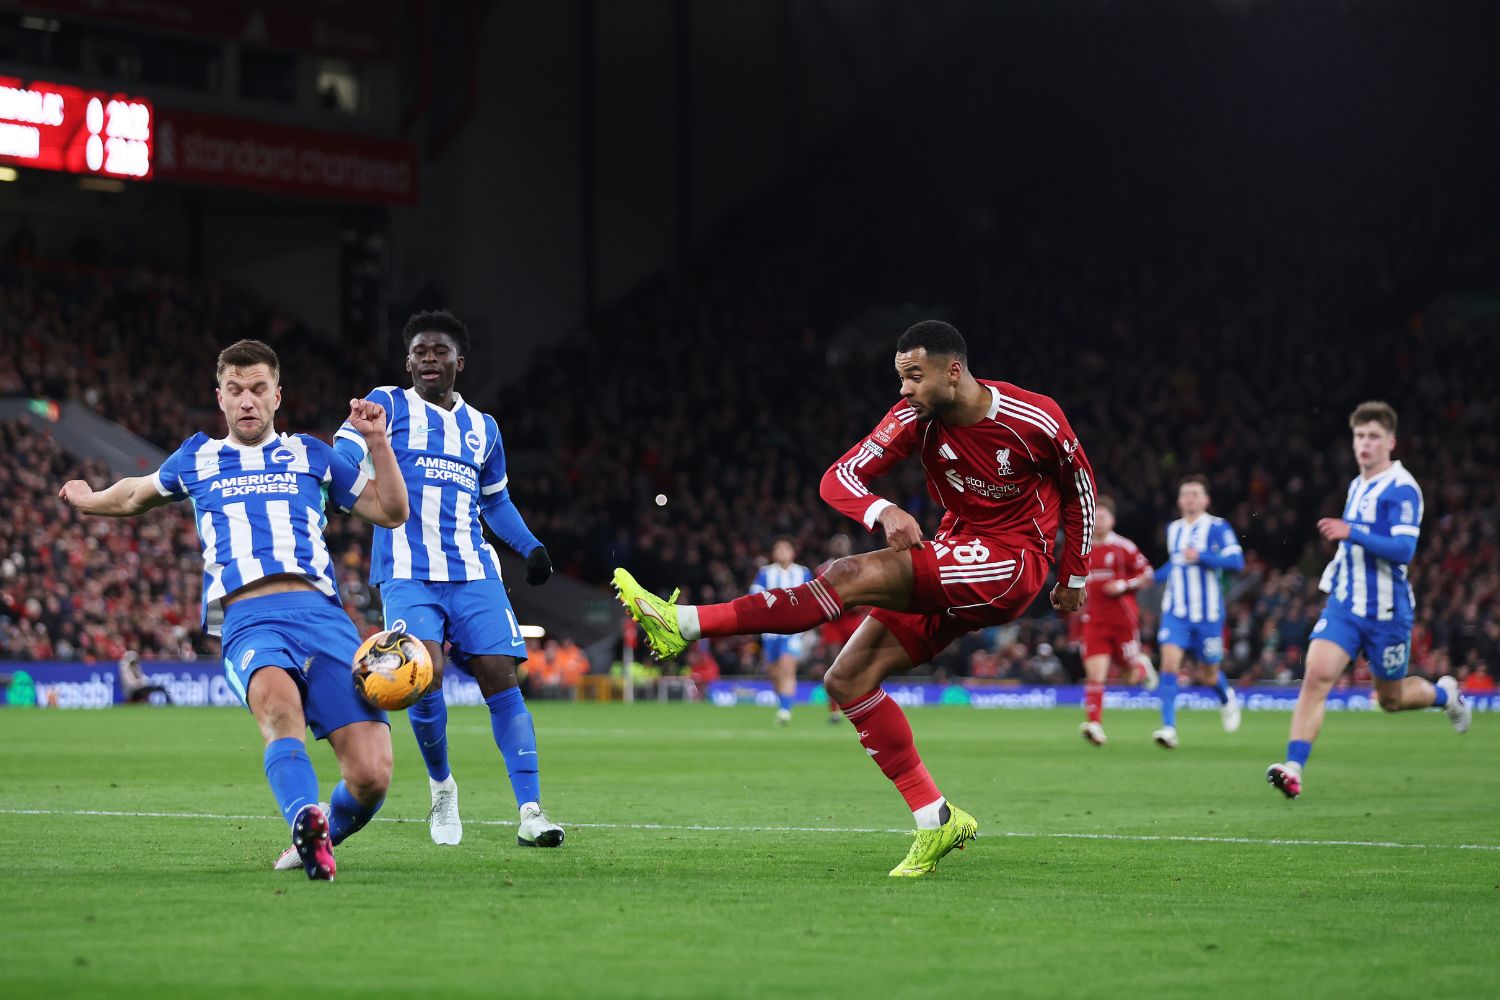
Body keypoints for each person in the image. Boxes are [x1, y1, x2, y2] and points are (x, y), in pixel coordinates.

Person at [614, 320, 1095, 876]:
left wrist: (1074, 575)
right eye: (900, 377)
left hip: (1011, 562)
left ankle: (684, 623)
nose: (904, 389)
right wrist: (881, 509)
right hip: (956, 549)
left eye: (914, 376)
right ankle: (935, 817)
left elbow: (1080, 486)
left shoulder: (1033, 416)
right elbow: (838, 477)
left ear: (953, 371)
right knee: (846, 680)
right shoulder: (913, 419)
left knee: (846, 574)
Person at [58, 339, 409, 881]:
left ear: (277, 396)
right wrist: (86, 499)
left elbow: (391, 510)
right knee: (280, 711)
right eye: (236, 389)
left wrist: (379, 443)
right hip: (249, 620)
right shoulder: (196, 458)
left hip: (323, 618)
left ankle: (318, 834)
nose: (247, 400)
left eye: (258, 389)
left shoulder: (313, 454)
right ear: (219, 397)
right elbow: (133, 495)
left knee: (371, 775)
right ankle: (304, 816)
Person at [333, 309, 563, 849]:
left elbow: (496, 501)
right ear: (407, 362)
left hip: (473, 570)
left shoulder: (484, 428)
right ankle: (442, 788)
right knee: (424, 673)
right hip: (407, 572)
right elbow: (345, 451)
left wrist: (530, 546)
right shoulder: (386, 404)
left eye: (439, 351)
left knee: (501, 677)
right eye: (419, 352)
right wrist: (342, 469)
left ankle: (531, 811)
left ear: (460, 362)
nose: (428, 359)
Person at [1267, 402, 1470, 799]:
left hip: (1387, 612)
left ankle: (1446, 695)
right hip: (1346, 604)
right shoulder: (1357, 484)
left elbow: (1403, 550)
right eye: (1359, 436)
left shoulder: (1403, 488)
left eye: (1374, 436)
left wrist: (1352, 532)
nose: (1365, 443)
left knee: (1391, 699)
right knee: (1316, 676)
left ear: (1391, 442)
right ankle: (1293, 768)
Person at [1150, 475, 1244, 749]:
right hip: (1176, 611)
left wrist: (1202, 556)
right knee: (1169, 663)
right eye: (1185, 494)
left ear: (1206, 500)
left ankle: (1226, 697)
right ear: (1179, 501)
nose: (1190, 499)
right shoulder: (1173, 529)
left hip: (1208, 614)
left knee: (1208, 675)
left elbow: (1236, 561)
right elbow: (1175, 564)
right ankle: (1169, 728)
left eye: (1195, 494)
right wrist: (1150, 578)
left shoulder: (1217, 527)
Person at [1078, 495, 1157, 746]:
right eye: (1095, 517)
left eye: (1102, 517)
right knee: (1095, 674)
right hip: (1094, 621)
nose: (1098, 522)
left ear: (1112, 520)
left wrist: (1123, 585)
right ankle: (1095, 724)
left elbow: (1147, 574)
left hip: (1123, 621)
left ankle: (1142, 667)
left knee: (1130, 677)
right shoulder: (1082, 549)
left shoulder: (1124, 547)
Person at [751, 537, 814, 725]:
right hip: (770, 631)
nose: (782, 552)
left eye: (786, 549)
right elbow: (755, 594)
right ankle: (783, 703)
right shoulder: (765, 572)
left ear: (793, 553)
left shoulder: (803, 572)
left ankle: (785, 711)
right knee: (773, 671)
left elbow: (810, 597)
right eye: (778, 549)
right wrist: (774, 604)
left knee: (787, 666)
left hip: (794, 628)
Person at [817, 532, 870, 723]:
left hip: (853, 620)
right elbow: (818, 597)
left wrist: (858, 606)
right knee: (833, 665)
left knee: (858, 664)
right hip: (833, 623)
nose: (839, 544)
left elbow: (868, 592)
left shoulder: (860, 565)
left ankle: (861, 705)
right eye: (836, 541)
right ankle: (834, 710)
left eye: (843, 541)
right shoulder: (821, 570)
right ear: (830, 547)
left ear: (850, 546)